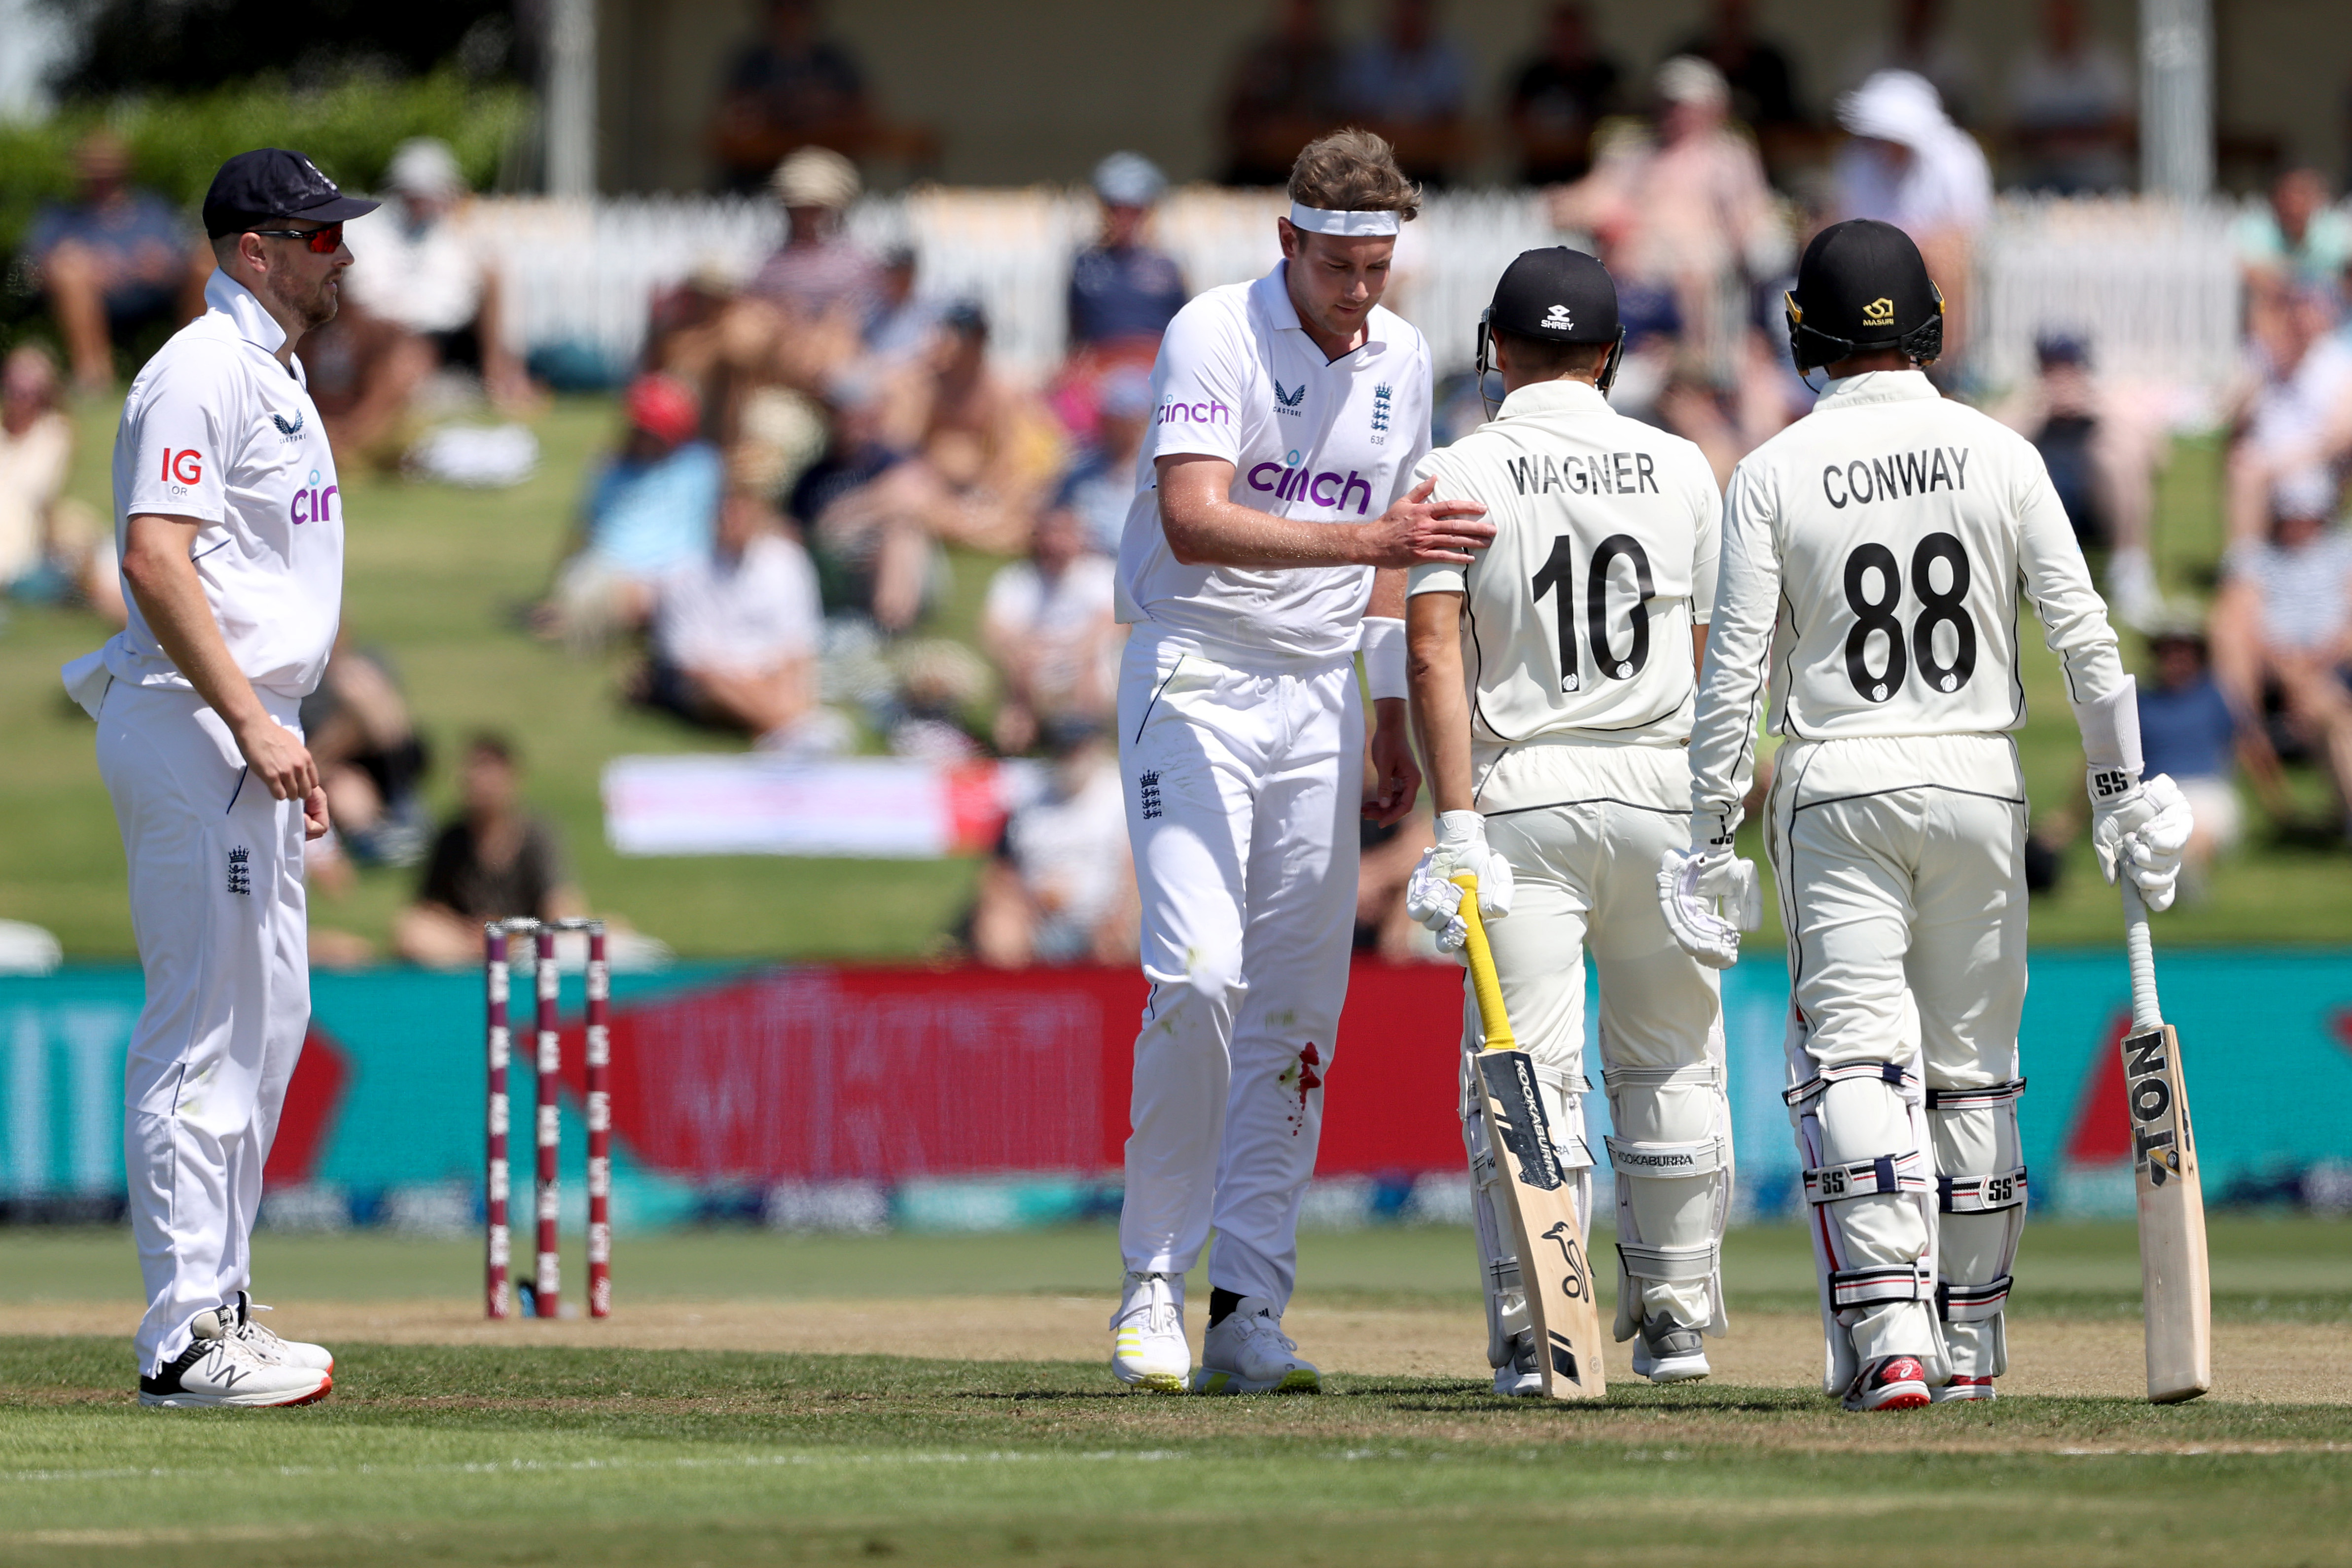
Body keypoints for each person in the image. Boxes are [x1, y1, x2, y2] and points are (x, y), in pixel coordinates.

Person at [1672, 219, 2192, 1411]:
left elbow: (1734, 675)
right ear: (1930, 326)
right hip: (1976, 775)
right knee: (1972, 1074)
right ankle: (1969, 1346)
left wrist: (1707, 832)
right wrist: (2120, 796)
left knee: (1853, 1052)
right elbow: (2086, 638)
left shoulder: (1770, 469)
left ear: (1804, 330)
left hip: (1836, 780)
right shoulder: (1999, 451)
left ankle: (1893, 1334)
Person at [1106, 129, 1489, 1396]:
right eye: (1338, 263)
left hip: (1322, 694)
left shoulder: (1401, 356)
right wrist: (1372, 535)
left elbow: (1395, 558)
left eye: (1378, 265)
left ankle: (1248, 1309)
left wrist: (1386, 711)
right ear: (1287, 242)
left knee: (1293, 1010)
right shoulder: (1212, 330)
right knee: (1198, 975)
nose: (1359, 290)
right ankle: (1151, 1284)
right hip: (1195, 670)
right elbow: (1192, 517)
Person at [58, 146, 380, 1409]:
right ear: (254, 249)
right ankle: (184, 1335)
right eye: (317, 237)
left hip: (247, 729)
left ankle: (223, 1307)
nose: (338, 253)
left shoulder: (270, 373)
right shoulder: (197, 371)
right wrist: (249, 716)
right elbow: (153, 557)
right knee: (202, 1034)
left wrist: (273, 717)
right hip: (202, 724)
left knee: (267, 1024)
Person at [1402, 247, 1733, 1395]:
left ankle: (1534, 1326)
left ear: (1495, 349)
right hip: (1658, 785)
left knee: (1524, 1068)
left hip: (1521, 791)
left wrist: (1452, 826)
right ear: (1609, 354)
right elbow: (1710, 658)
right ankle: (1677, 1318)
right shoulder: (1682, 465)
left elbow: (1433, 647)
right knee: (1672, 1063)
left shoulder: (1456, 467)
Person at [314, 138, 531, 455]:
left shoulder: (463, 237)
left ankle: (354, 437)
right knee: (392, 349)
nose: (420, 203)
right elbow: (361, 293)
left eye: (428, 194)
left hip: (439, 338)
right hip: (375, 330)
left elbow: (471, 294)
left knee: (409, 358)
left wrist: (500, 364)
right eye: (414, 194)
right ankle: (351, 435)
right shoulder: (373, 231)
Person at [637, 488, 836, 751]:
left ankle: (780, 727)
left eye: (744, 514)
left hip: (769, 674)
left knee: (789, 679)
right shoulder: (684, 571)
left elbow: (798, 643)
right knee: (715, 687)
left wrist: (776, 681)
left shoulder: (786, 561)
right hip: (714, 680)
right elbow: (690, 662)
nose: (736, 523)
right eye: (729, 515)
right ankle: (792, 728)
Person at [1991, 332, 2164, 628]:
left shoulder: (2108, 403)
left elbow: (2158, 457)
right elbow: (1988, 445)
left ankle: (2130, 575)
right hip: (2037, 510)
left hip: (2096, 509)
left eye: (2068, 368)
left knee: (2115, 457)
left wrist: (2096, 409)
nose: (2061, 378)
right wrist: (2038, 411)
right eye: (2052, 369)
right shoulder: (2026, 404)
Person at [2209, 478, 2352, 836]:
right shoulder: (2255, 557)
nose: (2298, 524)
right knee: (2229, 632)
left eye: (2307, 516)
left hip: (2333, 659)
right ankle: (2249, 738)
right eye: (2289, 516)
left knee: (2328, 706)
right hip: (2277, 664)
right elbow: (2240, 617)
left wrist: (2321, 657)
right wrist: (2288, 666)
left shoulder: (2343, 550)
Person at [21, 130, 209, 394]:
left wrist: (163, 264)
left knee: (205, 262)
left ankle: (193, 363)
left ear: (125, 167)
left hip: (155, 292)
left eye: (108, 167)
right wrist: (83, 264)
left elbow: (184, 250)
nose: (101, 176)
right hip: (92, 297)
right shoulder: (61, 215)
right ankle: (93, 377)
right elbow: (31, 269)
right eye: (93, 167)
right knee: (70, 271)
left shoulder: (154, 209)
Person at [543, 373, 723, 646]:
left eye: (647, 432)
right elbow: (588, 528)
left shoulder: (701, 466)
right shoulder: (612, 469)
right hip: (615, 568)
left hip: (680, 570)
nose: (638, 437)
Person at [1831, 71, 1992, 374]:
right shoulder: (1855, 160)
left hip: (1931, 263)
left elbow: (1967, 234)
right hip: (1870, 260)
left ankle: (1946, 366)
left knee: (1946, 259)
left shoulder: (1958, 158)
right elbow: (1843, 225)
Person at [395, 734, 590, 967]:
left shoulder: (537, 835)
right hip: (465, 940)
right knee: (414, 932)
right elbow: (429, 905)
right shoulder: (452, 837)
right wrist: (470, 931)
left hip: (524, 940)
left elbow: (558, 902)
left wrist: (508, 930)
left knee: (577, 932)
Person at [969, 721, 1139, 968]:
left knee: (1122, 933)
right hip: (1037, 917)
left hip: (1103, 915)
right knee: (999, 928)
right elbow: (1001, 871)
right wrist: (1019, 904)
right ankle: (1016, 1002)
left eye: (1076, 749)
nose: (1068, 757)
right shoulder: (1029, 804)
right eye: (1062, 750)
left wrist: (1121, 910)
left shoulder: (1121, 798)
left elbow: (1135, 868)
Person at [2138, 618, 2292, 882]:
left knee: (2203, 824)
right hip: (2152, 792)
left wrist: (2280, 808)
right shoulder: (2140, 702)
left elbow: (2250, 747)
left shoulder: (2217, 695)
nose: (2175, 658)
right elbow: (2104, 760)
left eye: (2183, 650)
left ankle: (2186, 868)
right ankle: (2179, 870)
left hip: (2207, 788)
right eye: (2168, 651)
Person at [981, 500, 1120, 755]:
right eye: (1051, 533)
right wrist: (1022, 650)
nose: (1057, 543)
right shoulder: (1017, 578)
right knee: (1018, 666)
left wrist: (1075, 652)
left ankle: (1087, 742)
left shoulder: (1100, 573)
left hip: (1085, 662)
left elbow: (1110, 623)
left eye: (1065, 533)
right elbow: (996, 630)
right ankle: (1018, 748)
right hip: (1037, 664)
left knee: (1091, 665)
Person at [0, 342, 122, 620]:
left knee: (101, 558)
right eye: (16, 391)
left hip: (31, 544)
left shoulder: (53, 434)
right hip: (18, 558)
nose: (21, 399)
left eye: (30, 392)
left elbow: (41, 498)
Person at [710, 0, 874, 192]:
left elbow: (865, 115)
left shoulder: (833, 61)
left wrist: (821, 106)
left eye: (797, 13)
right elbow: (730, 121)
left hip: (823, 172)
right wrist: (774, 106)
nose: (790, 21)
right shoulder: (752, 62)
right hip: (757, 174)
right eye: (783, 13)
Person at [1067, 153, 1188, 364]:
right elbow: (1075, 333)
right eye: (1115, 210)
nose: (1123, 220)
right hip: (1100, 369)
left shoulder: (1167, 267)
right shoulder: (1085, 267)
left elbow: (1183, 331)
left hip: (1155, 367)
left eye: (1133, 211)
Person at [2004, 0, 2134, 195]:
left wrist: (2068, 137)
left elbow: (2126, 131)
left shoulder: (2109, 64)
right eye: (2055, 18)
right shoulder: (2026, 67)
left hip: (2100, 182)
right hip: (2040, 182)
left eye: (2067, 16)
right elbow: (2009, 135)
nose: (2061, 24)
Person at [1340, 0, 1472, 186]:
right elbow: (1356, 111)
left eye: (1415, 12)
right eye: (1402, 11)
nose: (1408, 19)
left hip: (1431, 167)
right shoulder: (1368, 56)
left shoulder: (1446, 58)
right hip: (1375, 169)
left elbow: (1451, 112)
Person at [1220, 0, 1347, 187]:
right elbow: (1234, 123)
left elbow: (1344, 121)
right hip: (1260, 169)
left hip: (1319, 172)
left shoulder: (1334, 65)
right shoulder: (1264, 61)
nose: (1300, 22)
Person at [1503, 1, 1623, 186]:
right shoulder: (1532, 75)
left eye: (1573, 35)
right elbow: (1512, 119)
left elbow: (1620, 119)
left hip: (1591, 174)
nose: (1567, 42)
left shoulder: (1604, 75)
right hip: (1539, 173)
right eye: (1561, 35)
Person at [1840, 0, 1978, 128]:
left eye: (1922, 7)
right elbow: (1844, 107)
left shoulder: (1956, 56)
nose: (1915, 14)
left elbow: (1970, 115)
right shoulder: (1869, 50)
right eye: (1910, 6)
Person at [2234, 169, 2352, 292]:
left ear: (2318, 200)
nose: (2294, 205)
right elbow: (2252, 272)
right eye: (2286, 197)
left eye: (2302, 195)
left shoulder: (2335, 230)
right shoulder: (2257, 228)